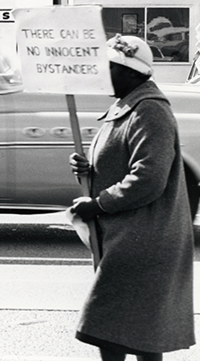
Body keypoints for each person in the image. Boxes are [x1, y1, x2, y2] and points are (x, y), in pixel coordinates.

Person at [68, 34, 195, 361]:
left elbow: (149, 178)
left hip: (144, 238)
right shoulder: (128, 104)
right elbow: (122, 158)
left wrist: (97, 203)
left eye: (109, 67)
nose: (102, 74)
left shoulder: (149, 110)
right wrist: (89, 168)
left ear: (130, 71)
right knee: (128, 330)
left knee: (120, 329)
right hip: (130, 235)